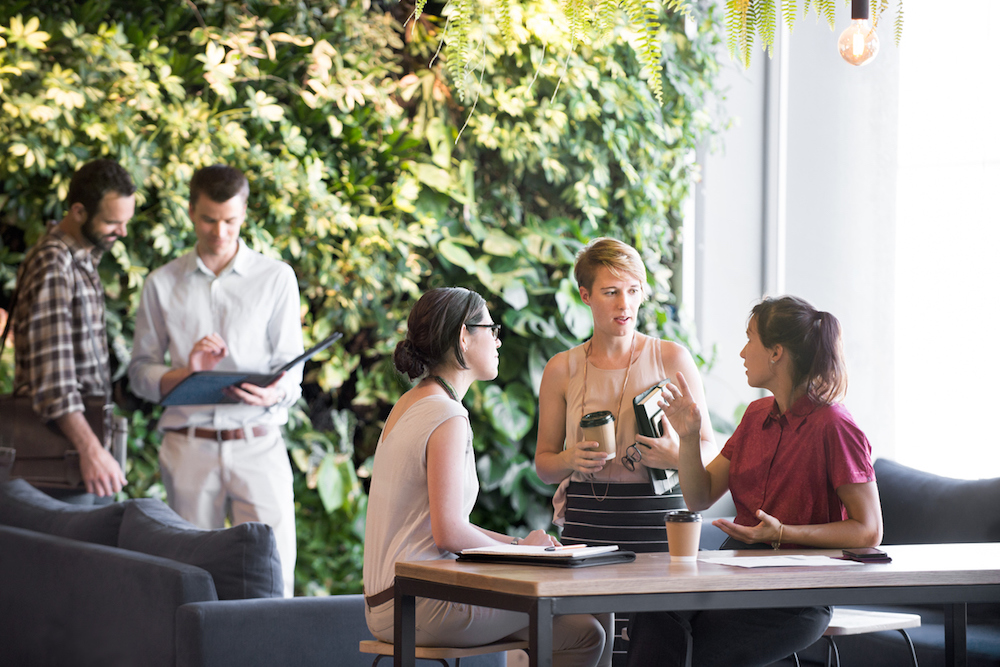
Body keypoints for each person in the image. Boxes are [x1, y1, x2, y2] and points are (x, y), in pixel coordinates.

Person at [626, 295, 884, 667]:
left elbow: (869, 530)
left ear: (776, 352)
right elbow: (700, 496)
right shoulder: (755, 415)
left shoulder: (835, 426)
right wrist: (688, 436)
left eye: (750, 339)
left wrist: (782, 533)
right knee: (653, 609)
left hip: (794, 596)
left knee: (688, 653)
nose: (743, 352)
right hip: (735, 573)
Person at [363, 287, 606, 667]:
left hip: (391, 602)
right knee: (587, 629)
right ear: (464, 335)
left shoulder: (411, 403)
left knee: (563, 615)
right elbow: (448, 532)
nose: (497, 340)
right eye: (490, 329)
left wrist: (522, 547)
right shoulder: (447, 415)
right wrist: (523, 548)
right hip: (418, 605)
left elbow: (444, 528)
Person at [128, 165, 303, 597]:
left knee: (275, 579)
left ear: (244, 212)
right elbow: (139, 374)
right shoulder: (160, 283)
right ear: (190, 212)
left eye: (230, 220)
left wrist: (274, 390)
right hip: (188, 447)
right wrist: (187, 372)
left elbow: (291, 370)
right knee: (189, 581)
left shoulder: (276, 278)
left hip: (258, 441)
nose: (220, 232)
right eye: (209, 219)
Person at [12, 159, 135, 501]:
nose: (122, 232)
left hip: (74, 456)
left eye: (126, 221)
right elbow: (55, 380)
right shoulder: (55, 263)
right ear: (79, 212)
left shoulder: (80, 259)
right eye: (113, 222)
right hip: (62, 459)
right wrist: (91, 451)